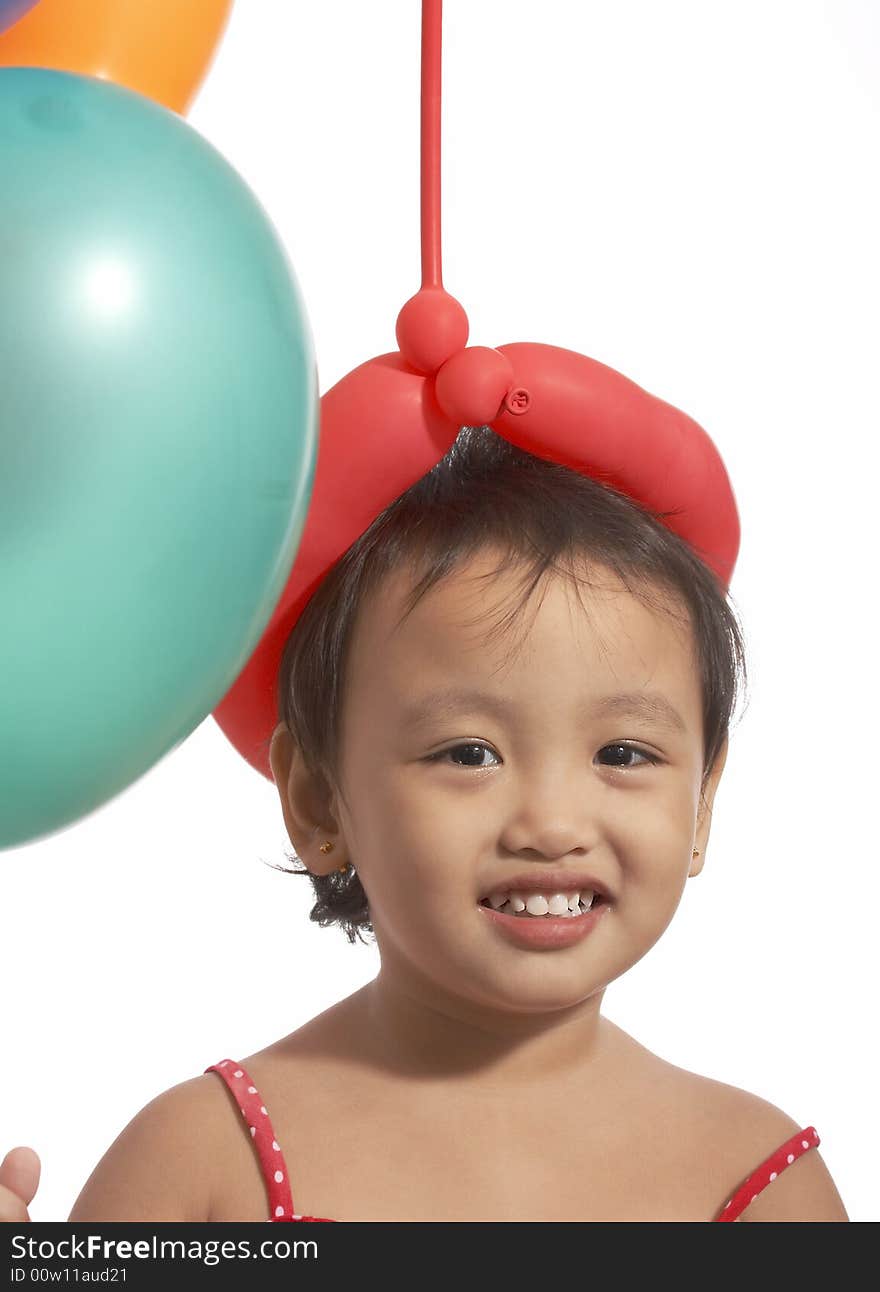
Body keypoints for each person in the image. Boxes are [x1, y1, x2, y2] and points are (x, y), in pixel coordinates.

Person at [0, 426, 849, 1222]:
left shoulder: (755, 1184)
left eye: (623, 754)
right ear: (318, 801)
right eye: (469, 753)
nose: (551, 825)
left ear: (703, 800)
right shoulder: (207, 1168)